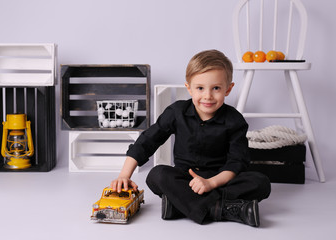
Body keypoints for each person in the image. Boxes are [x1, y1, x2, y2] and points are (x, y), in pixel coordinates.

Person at [110, 49, 271, 227]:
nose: (208, 96)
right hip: (185, 180)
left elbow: (237, 162)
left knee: (260, 182)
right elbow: (148, 140)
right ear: (189, 88)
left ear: (228, 89)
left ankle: (179, 206)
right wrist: (124, 175)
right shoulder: (176, 112)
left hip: (219, 180)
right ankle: (222, 208)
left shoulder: (234, 120)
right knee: (157, 175)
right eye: (200, 88)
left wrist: (210, 183)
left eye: (216, 88)